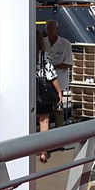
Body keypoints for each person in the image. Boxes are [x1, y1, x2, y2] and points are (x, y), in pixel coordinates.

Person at [36, 31, 62, 163]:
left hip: (28, 91)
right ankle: (43, 152)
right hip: (41, 92)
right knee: (44, 120)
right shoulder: (43, 55)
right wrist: (59, 91)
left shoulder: (24, 54)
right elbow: (51, 75)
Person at [43, 20, 74, 126]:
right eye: (47, 28)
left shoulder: (66, 44)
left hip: (59, 82)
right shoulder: (42, 42)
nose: (49, 31)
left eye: (52, 28)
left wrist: (54, 67)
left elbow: (69, 63)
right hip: (45, 82)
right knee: (45, 111)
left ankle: (59, 131)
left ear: (57, 29)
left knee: (58, 110)